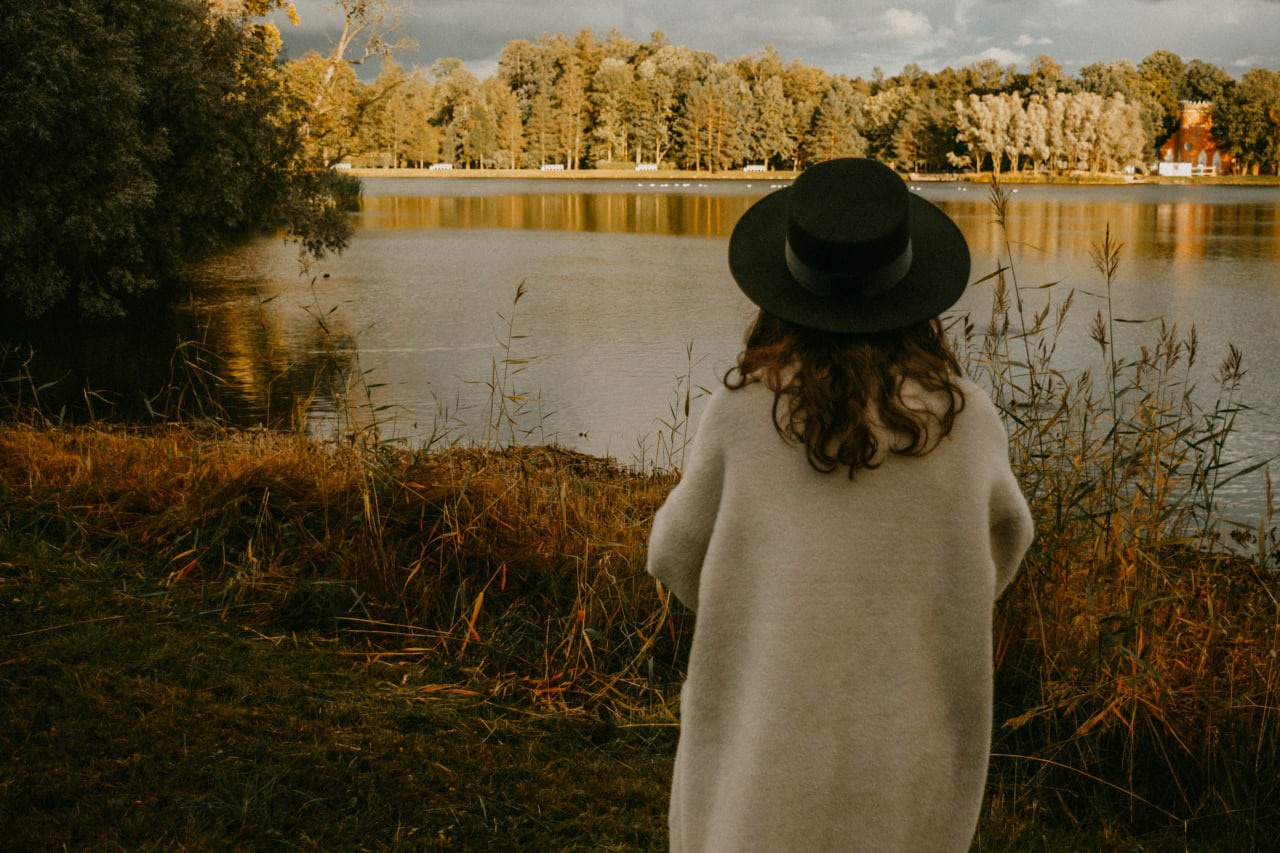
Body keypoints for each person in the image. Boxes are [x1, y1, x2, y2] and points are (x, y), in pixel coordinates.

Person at [646, 158, 1034, 852]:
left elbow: (673, 553)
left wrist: (769, 603)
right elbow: (1005, 544)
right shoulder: (966, 419)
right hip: (906, 750)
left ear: (781, 291)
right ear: (913, 289)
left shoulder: (744, 410)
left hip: (765, 761)